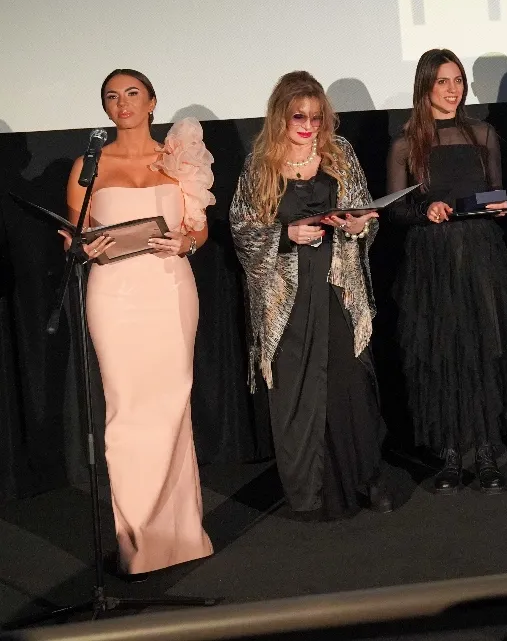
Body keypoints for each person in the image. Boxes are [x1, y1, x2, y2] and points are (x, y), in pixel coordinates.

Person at [64, 69, 214, 576]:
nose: (122, 103)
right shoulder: (88, 165)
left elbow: (199, 229)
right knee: (126, 410)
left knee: (172, 405)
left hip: (170, 286)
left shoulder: (179, 157)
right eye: (112, 96)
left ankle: (183, 536)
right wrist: (83, 247)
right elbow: (74, 236)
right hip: (113, 292)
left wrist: (186, 242)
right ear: (105, 108)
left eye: (132, 93)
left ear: (152, 101)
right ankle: (138, 543)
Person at [230, 71, 392, 518]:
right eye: (298, 117)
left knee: (351, 383)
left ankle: (367, 479)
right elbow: (242, 230)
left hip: (337, 288)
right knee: (296, 391)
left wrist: (359, 225)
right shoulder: (259, 165)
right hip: (287, 299)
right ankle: (310, 492)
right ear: (280, 116)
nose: (308, 126)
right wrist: (285, 234)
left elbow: (365, 215)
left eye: (316, 117)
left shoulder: (340, 155)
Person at [387, 49, 507, 494]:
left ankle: (487, 452)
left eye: (458, 80)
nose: (453, 89)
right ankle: (451, 454)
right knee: (443, 353)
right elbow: (395, 210)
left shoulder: (482, 134)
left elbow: (496, 192)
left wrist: (500, 206)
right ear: (425, 87)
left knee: (484, 350)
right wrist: (425, 210)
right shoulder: (406, 144)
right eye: (443, 81)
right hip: (432, 259)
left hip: (480, 254)